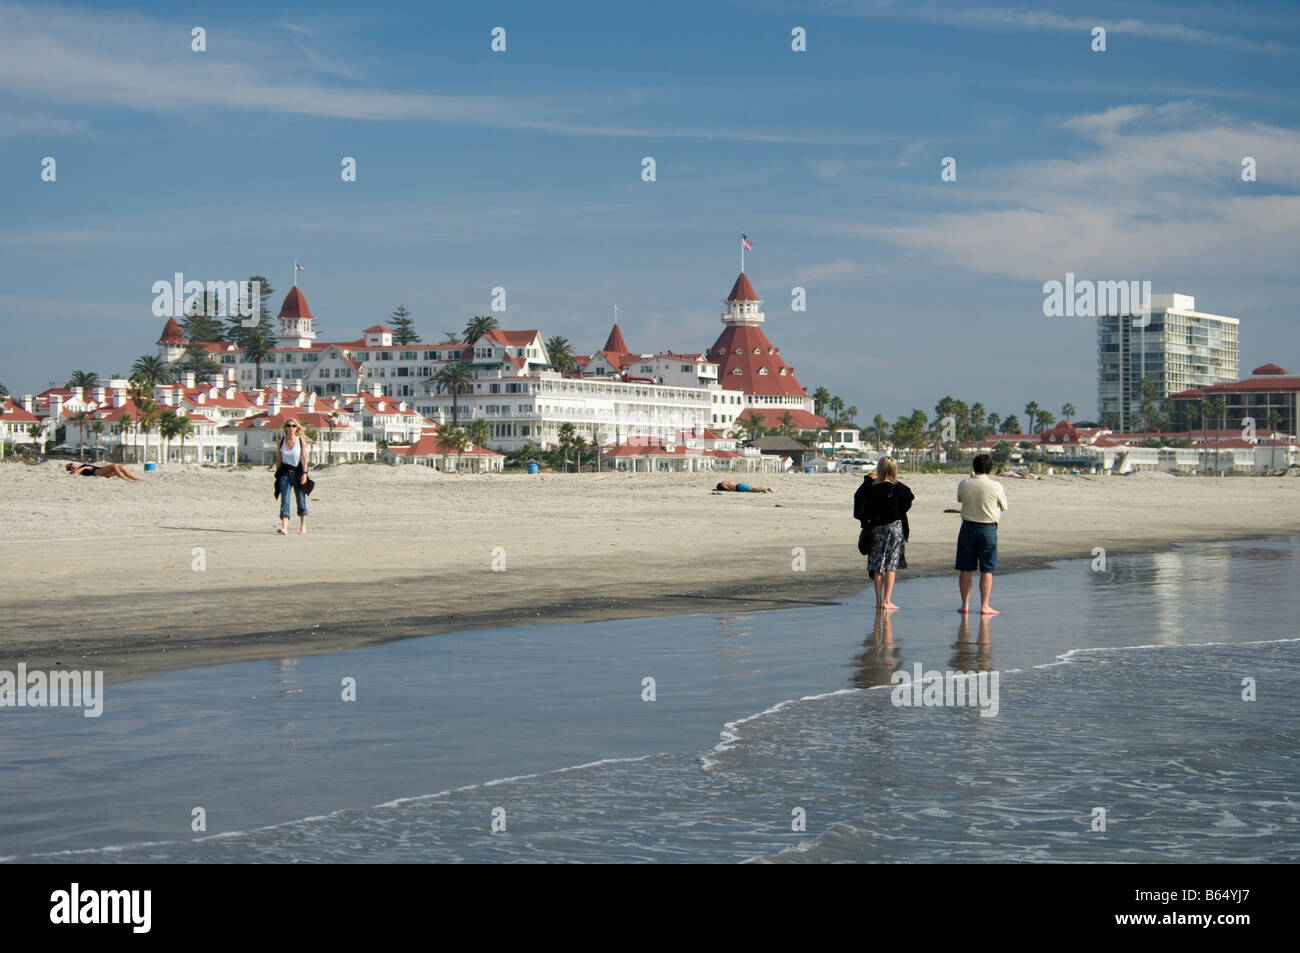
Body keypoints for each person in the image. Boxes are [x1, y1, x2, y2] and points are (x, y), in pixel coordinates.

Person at [857, 457, 913, 610]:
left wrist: (867, 480)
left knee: (877, 565)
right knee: (890, 565)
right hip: (895, 528)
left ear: (879, 469)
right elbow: (908, 501)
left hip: (877, 527)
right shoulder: (900, 488)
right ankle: (887, 600)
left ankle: (879, 601)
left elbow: (858, 499)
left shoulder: (872, 487)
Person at [956, 453, 1008, 616]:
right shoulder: (996, 486)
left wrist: (971, 479)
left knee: (965, 568)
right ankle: (984, 605)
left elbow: (959, 499)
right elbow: (1004, 506)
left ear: (974, 467)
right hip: (988, 528)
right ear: (990, 468)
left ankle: (965, 604)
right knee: (987, 569)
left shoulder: (964, 483)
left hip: (968, 527)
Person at [274, 419, 310, 535]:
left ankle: (303, 527)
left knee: (301, 498)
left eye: (293, 426)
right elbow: (279, 459)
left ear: (297, 428)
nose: (291, 428)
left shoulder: (301, 441)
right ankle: (284, 527)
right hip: (284, 473)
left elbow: (304, 459)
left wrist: (305, 473)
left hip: (298, 473)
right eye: (288, 426)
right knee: (285, 499)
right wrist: (277, 474)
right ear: (285, 428)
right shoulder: (281, 441)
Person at [66, 461, 143, 482]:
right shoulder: (78, 470)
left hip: (101, 470)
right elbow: (75, 473)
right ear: (70, 469)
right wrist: (85, 467)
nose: (72, 465)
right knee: (113, 465)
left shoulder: (80, 467)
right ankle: (124, 479)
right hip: (97, 472)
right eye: (70, 466)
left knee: (121, 467)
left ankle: (136, 479)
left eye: (72, 464)